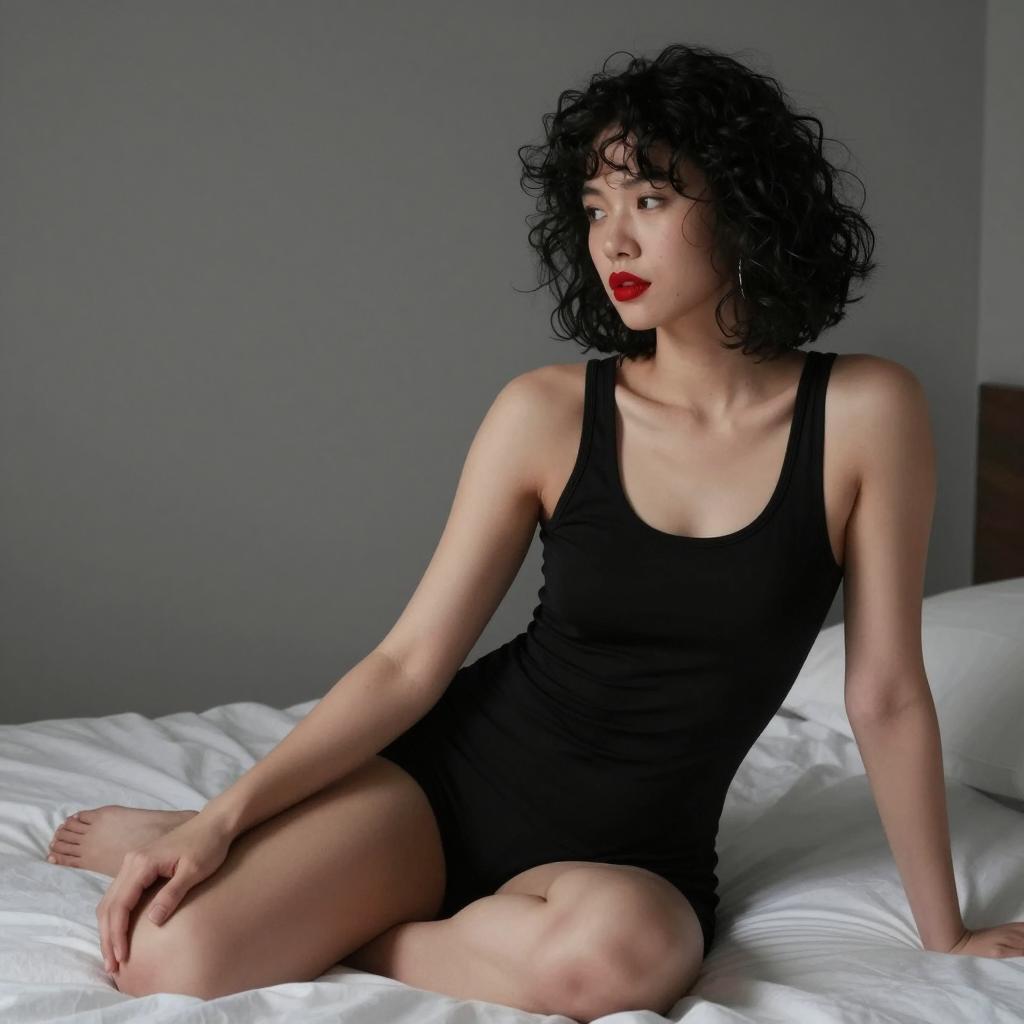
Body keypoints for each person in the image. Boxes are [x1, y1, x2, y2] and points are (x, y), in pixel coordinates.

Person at [44, 41, 1020, 1018]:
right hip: (451, 787)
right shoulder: (545, 412)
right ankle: (251, 847)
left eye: (649, 200)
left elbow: (885, 693)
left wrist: (943, 932)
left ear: (745, 205)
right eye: (594, 209)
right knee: (169, 960)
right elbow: (407, 665)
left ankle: (345, 920)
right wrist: (220, 823)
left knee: (616, 965)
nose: (613, 242)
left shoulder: (865, 412)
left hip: (634, 855)